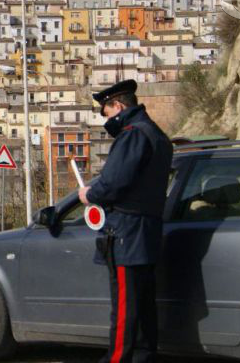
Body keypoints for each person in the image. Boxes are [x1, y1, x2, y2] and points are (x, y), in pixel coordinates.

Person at [78, 79, 173, 363]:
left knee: (124, 306)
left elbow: (113, 183)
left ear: (118, 106)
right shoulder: (157, 135)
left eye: (104, 111)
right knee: (143, 304)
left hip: (126, 232)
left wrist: (89, 194)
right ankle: (143, 357)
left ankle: (117, 359)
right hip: (148, 228)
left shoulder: (132, 134)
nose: (104, 118)